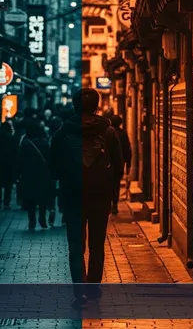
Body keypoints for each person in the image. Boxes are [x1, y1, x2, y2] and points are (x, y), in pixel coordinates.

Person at [50, 88, 124, 308]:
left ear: (73, 106)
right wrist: (110, 189)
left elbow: (53, 169)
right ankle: (93, 289)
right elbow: (119, 166)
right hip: (101, 197)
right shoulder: (109, 132)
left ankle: (79, 292)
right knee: (97, 244)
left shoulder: (63, 133)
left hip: (72, 196)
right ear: (97, 106)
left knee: (75, 246)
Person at [17, 119, 54, 230]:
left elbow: (19, 160)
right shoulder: (44, 143)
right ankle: (42, 219)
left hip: (28, 175)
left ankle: (31, 220)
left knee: (30, 199)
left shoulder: (25, 144)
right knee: (42, 198)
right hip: (43, 175)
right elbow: (50, 159)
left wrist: (19, 174)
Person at [0, 122, 19, 209]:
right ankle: (7, 202)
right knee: (8, 185)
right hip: (9, 166)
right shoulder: (12, 140)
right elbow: (16, 153)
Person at [109, 115, 131, 214]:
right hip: (119, 163)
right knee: (116, 184)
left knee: (108, 184)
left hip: (108, 163)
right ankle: (115, 204)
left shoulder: (107, 133)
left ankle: (109, 203)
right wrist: (128, 163)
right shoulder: (123, 134)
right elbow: (127, 149)